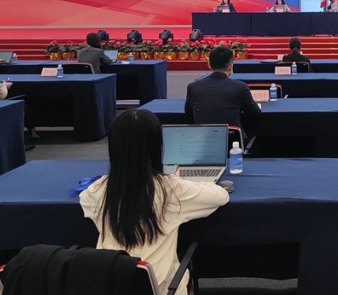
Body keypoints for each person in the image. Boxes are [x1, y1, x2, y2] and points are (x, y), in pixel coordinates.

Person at [79, 109, 228, 295]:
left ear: (113, 148)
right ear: (156, 146)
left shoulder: (98, 190)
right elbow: (220, 196)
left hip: (111, 285)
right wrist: (182, 182)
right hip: (160, 289)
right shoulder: (170, 189)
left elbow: (84, 198)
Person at [185, 46, 261, 135]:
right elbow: (255, 113)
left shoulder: (193, 87)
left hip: (202, 139)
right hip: (232, 140)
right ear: (230, 66)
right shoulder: (240, 87)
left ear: (209, 65)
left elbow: (188, 113)